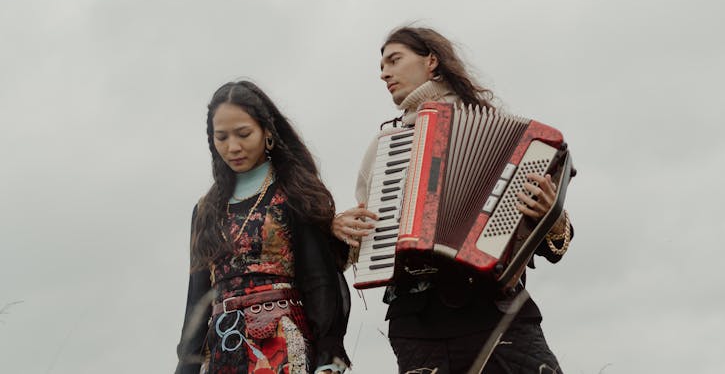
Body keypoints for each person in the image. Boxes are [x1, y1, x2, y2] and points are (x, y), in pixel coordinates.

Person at [333, 27, 573, 374]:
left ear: (431, 61)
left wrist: (551, 213)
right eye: (381, 65)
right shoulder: (387, 147)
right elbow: (362, 240)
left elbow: (557, 247)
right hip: (419, 325)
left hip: (497, 314)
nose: (383, 72)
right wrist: (343, 229)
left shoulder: (505, 133)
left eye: (394, 60)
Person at [176, 81, 351, 374]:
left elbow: (319, 281)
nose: (233, 147)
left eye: (243, 134)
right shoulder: (205, 210)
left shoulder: (294, 194)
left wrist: (328, 360)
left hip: (282, 347)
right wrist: (186, 366)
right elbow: (197, 300)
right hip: (222, 352)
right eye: (222, 137)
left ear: (267, 132)